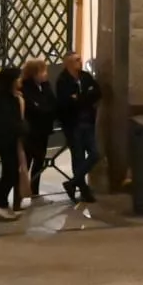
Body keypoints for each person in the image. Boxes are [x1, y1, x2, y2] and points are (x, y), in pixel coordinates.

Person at [53, 52, 101, 203]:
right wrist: (84, 97)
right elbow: (66, 103)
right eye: (76, 60)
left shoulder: (85, 77)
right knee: (78, 157)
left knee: (95, 153)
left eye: (80, 59)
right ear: (68, 63)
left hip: (88, 122)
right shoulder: (63, 81)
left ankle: (72, 183)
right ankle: (84, 190)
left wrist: (79, 98)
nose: (80, 62)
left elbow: (97, 93)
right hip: (73, 125)